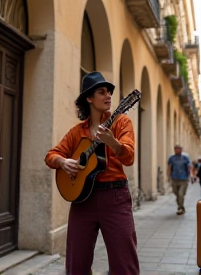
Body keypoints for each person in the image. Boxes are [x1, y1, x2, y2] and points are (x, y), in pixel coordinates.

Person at [44, 71, 139, 275]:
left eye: (109, 92)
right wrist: (62, 162)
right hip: (81, 201)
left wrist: (112, 142)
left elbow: (129, 157)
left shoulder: (121, 122)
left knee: (125, 264)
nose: (108, 96)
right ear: (89, 98)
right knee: (76, 265)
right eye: (101, 92)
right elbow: (51, 155)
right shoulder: (77, 132)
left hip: (115, 197)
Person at [167, 144, 192, 215]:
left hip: (183, 179)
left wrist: (192, 175)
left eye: (179, 149)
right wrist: (168, 177)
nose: (178, 150)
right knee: (176, 194)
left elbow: (189, 167)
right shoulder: (171, 158)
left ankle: (180, 208)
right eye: (176, 149)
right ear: (174, 150)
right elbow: (169, 167)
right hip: (174, 178)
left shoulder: (185, 158)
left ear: (181, 150)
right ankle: (181, 206)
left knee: (181, 194)